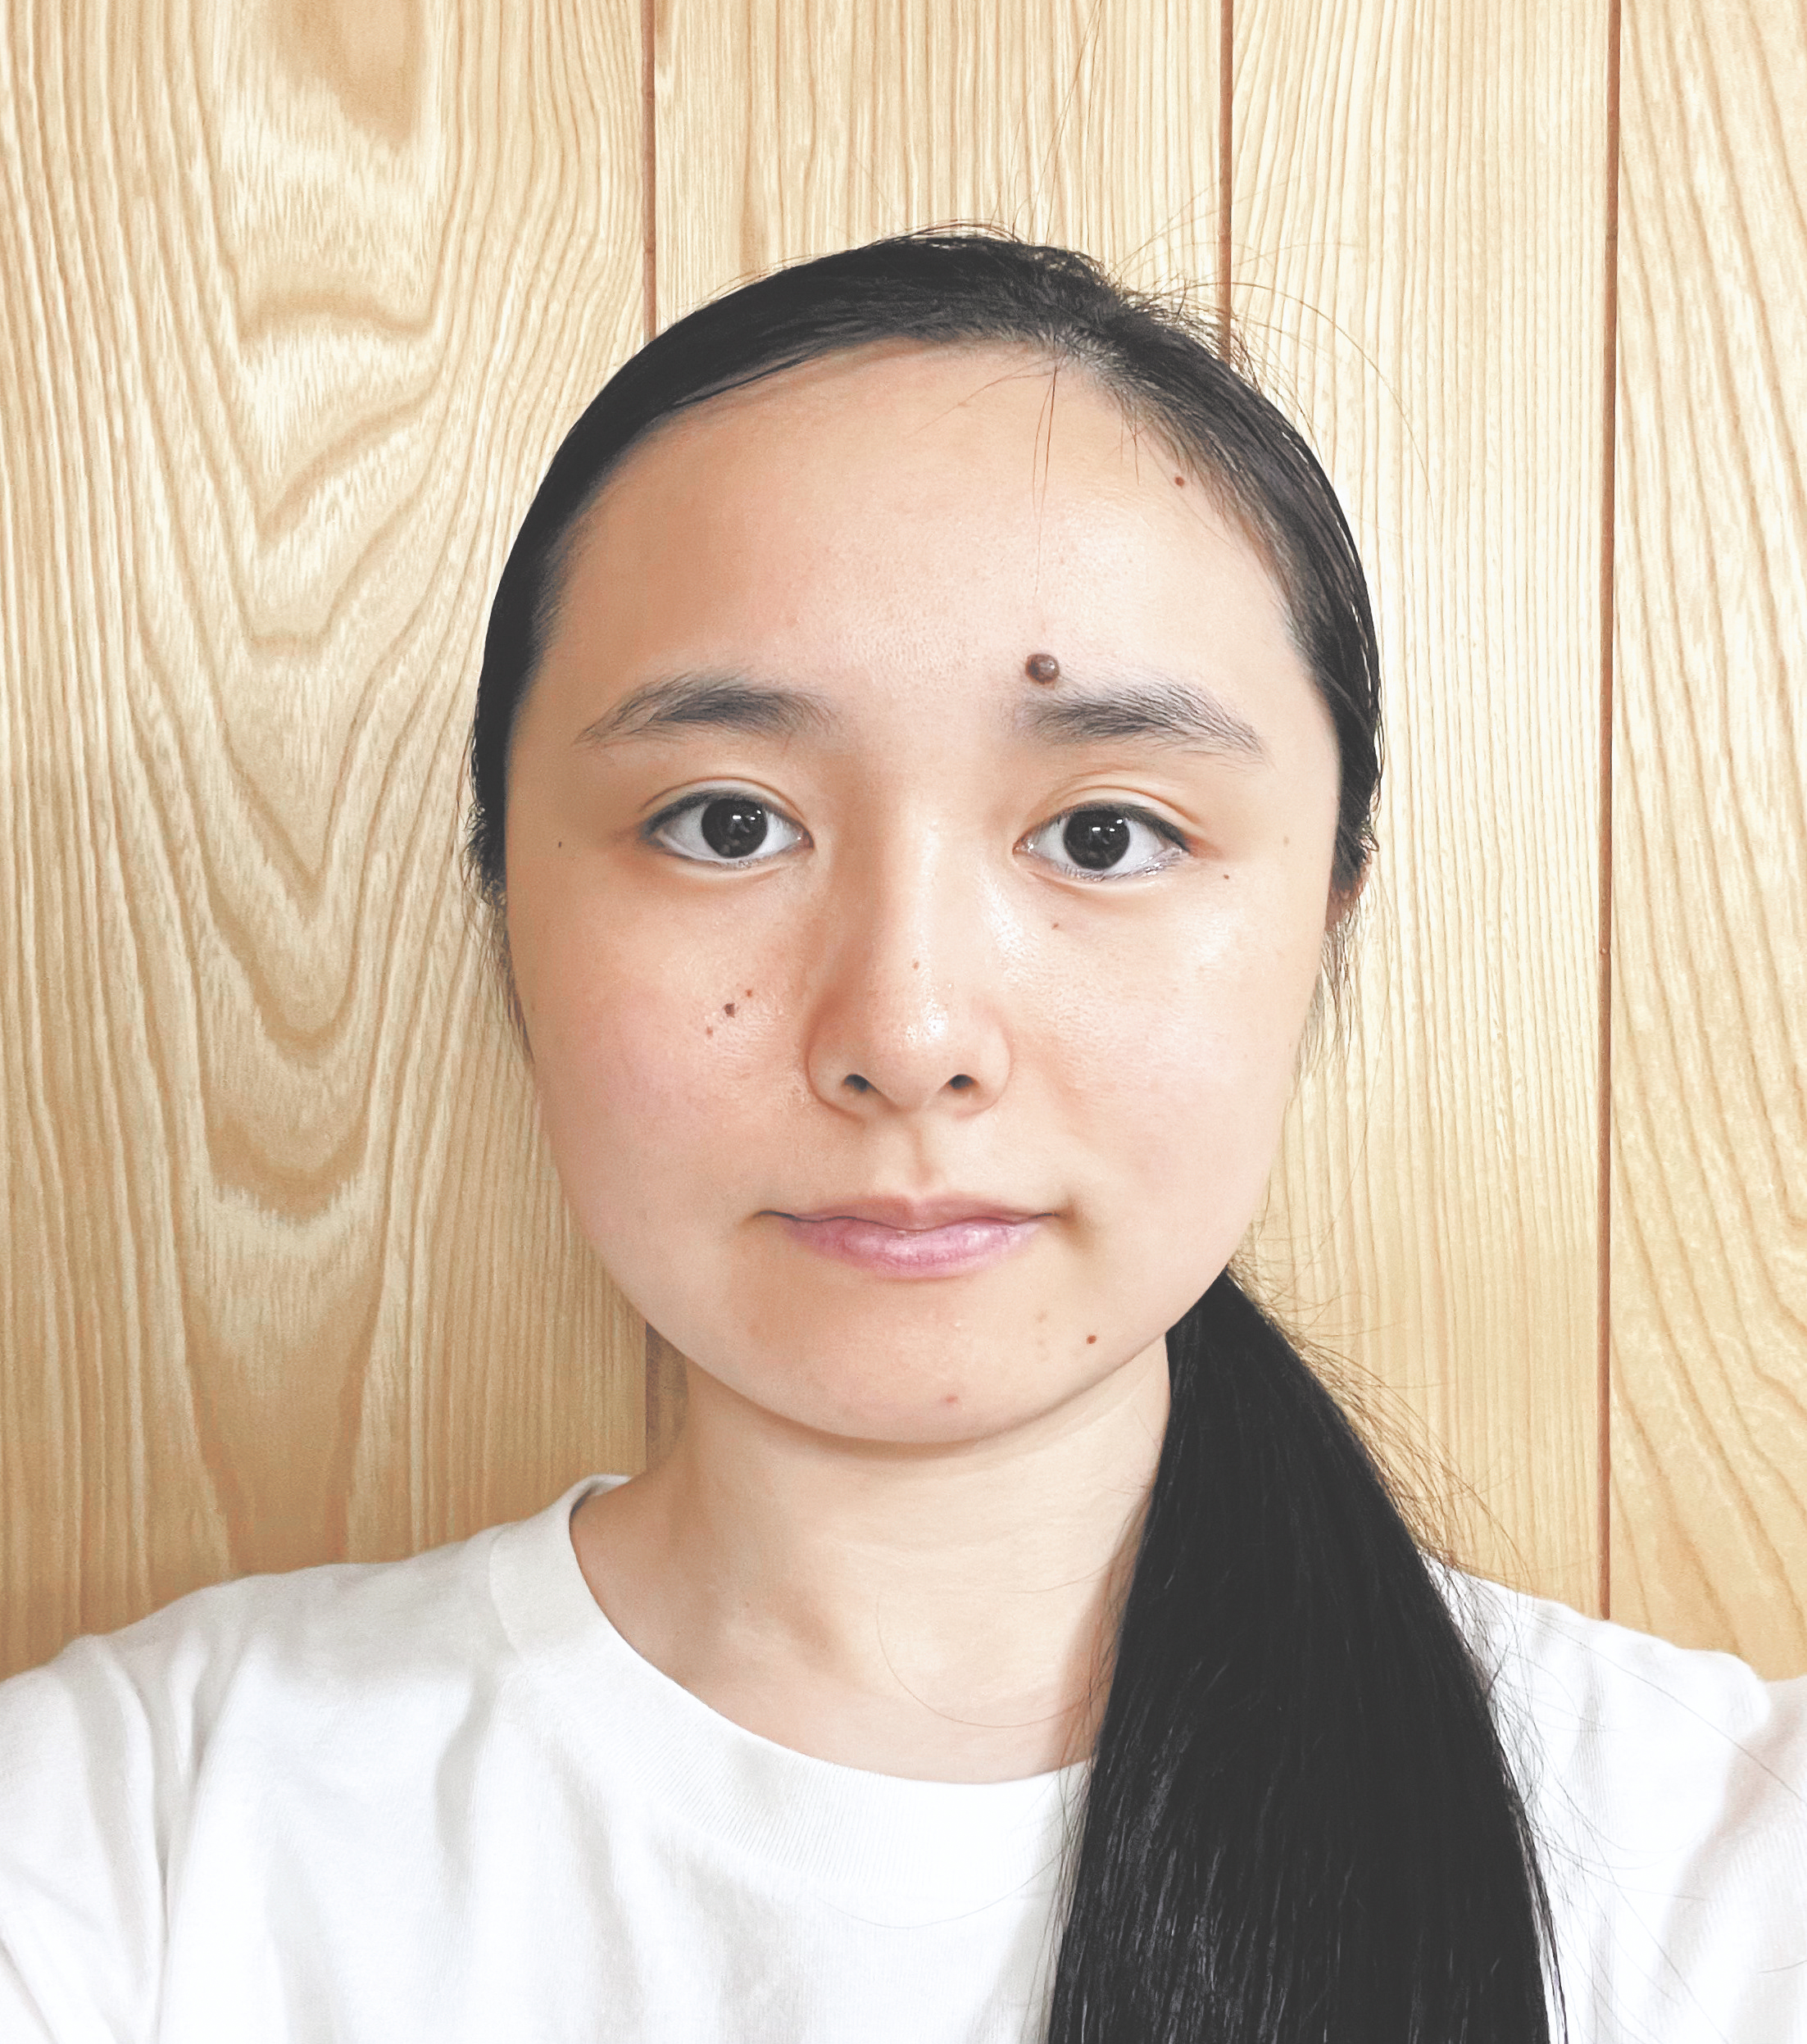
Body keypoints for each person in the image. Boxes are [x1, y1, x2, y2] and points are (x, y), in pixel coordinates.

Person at [1, 230, 1802, 2044]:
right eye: (723, 821)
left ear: (1326, 912)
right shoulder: (123, 1844)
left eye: (1104, 833)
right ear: (504, 901)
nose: (907, 1033)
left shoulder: (1724, 1875)